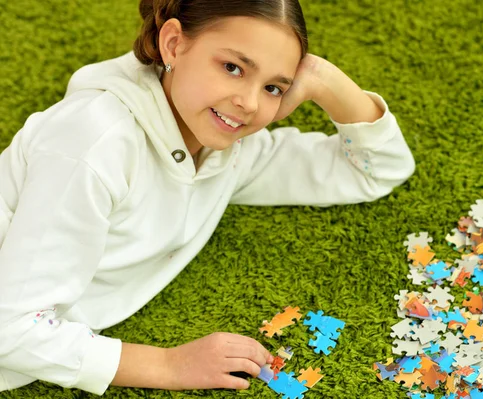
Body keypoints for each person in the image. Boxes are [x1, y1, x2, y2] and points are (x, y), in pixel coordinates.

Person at [0, 0, 415, 395]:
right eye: (233, 67)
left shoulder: (227, 147)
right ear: (174, 44)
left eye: (273, 87)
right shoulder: (93, 145)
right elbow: (9, 327)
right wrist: (169, 365)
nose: (250, 104)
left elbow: (375, 170)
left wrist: (324, 80)